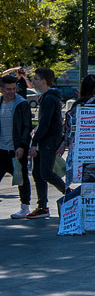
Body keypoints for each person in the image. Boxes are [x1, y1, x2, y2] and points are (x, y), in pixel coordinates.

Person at [27, 68, 66, 219]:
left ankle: (70, 195)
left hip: (49, 140)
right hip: (45, 140)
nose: (33, 81)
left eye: (35, 78)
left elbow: (45, 124)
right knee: (37, 173)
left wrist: (34, 143)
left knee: (46, 172)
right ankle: (42, 206)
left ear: (43, 81)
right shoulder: (46, 97)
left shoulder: (49, 99)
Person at [58, 74, 95, 186]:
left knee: (75, 179)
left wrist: (64, 143)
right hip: (91, 147)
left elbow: (69, 127)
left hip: (75, 147)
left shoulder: (76, 104)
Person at [0, 74, 33, 219]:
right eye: (8, 89)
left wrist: (22, 146)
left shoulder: (22, 103)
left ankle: (25, 207)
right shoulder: (0, 102)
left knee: (22, 178)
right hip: (1, 149)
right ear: (1, 89)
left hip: (17, 149)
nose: (11, 92)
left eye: (14, 88)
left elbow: (27, 126)